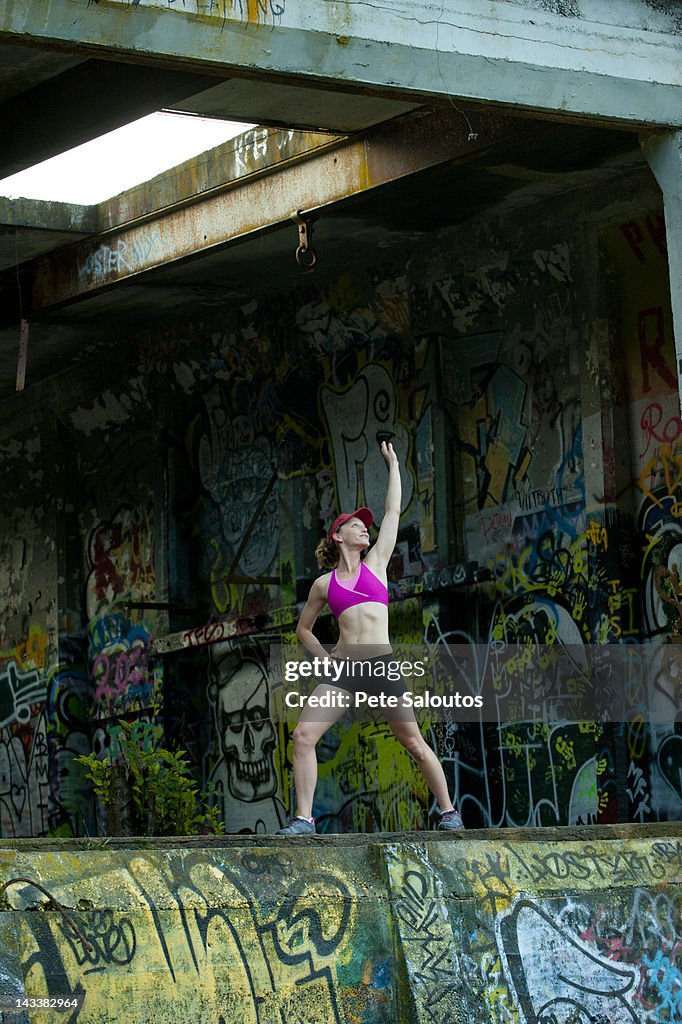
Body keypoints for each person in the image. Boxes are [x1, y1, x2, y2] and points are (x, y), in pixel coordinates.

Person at [277, 440, 464, 835]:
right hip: (345, 670)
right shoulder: (324, 585)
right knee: (304, 735)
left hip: (381, 667)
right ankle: (304, 820)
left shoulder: (377, 563)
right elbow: (303, 630)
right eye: (355, 525)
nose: (365, 527)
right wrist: (324, 658)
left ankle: (448, 812)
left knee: (412, 741)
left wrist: (394, 464)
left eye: (365, 524)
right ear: (337, 536)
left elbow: (394, 509)